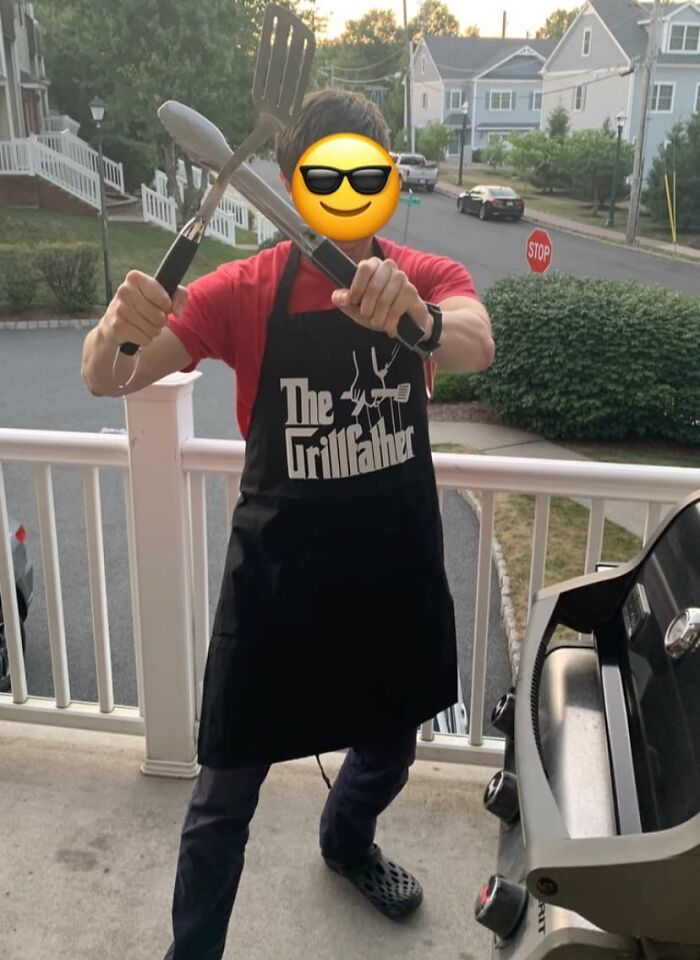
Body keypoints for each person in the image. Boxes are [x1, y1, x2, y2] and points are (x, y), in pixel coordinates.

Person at [81, 89, 494, 960]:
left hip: (391, 577)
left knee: (392, 750)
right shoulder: (244, 290)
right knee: (222, 797)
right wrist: (114, 332)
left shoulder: (420, 277)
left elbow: (474, 341)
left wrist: (418, 321)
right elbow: (110, 376)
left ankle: (346, 842)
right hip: (277, 589)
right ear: (285, 177)